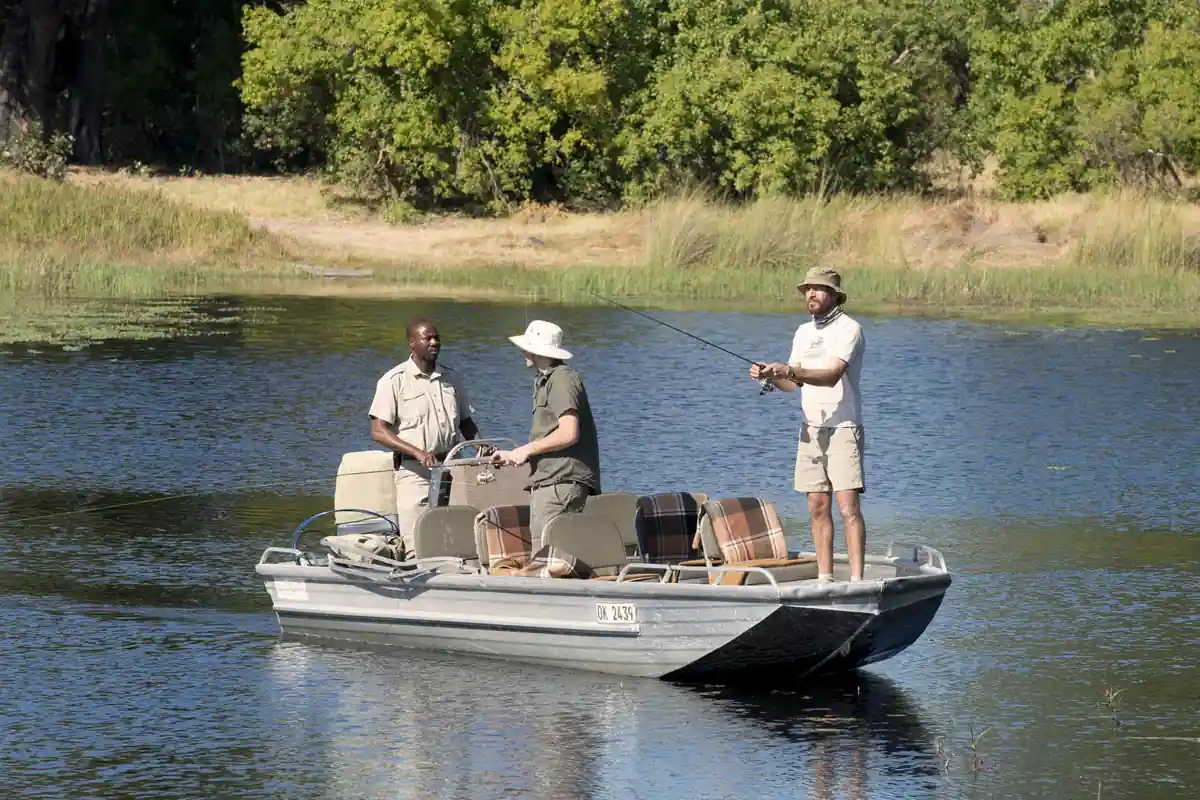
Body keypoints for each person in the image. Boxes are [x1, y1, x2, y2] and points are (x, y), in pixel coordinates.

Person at [750, 267, 867, 581]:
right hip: (811, 427)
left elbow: (829, 377)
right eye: (807, 289)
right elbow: (795, 383)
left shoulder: (849, 329)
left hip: (844, 426)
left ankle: (857, 579)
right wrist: (772, 376)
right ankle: (824, 578)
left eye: (819, 289)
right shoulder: (803, 332)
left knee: (847, 507)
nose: (811, 294)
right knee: (817, 505)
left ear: (833, 294)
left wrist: (787, 370)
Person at [368, 318, 483, 555]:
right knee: (417, 544)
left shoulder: (453, 379)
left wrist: (481, 446)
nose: (434, 342)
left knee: (455, 542)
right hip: (414, 473)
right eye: (427, 338)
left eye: (437, 338)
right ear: (412, 343)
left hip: (452, 469)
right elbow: (379, 431)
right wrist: (417, 453)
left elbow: (465, 421)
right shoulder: (394, 381)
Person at [491, 320, 601, 549]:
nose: (523, 352)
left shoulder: (562, 379)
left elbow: (569, 432)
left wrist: (526, 450)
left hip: (559, 483)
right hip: (551, 482)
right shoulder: (546, 380)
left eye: (526, 347)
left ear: (536, 350)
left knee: (548, 557)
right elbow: (551, 434)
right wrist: (514, 454)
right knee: (548, 557)